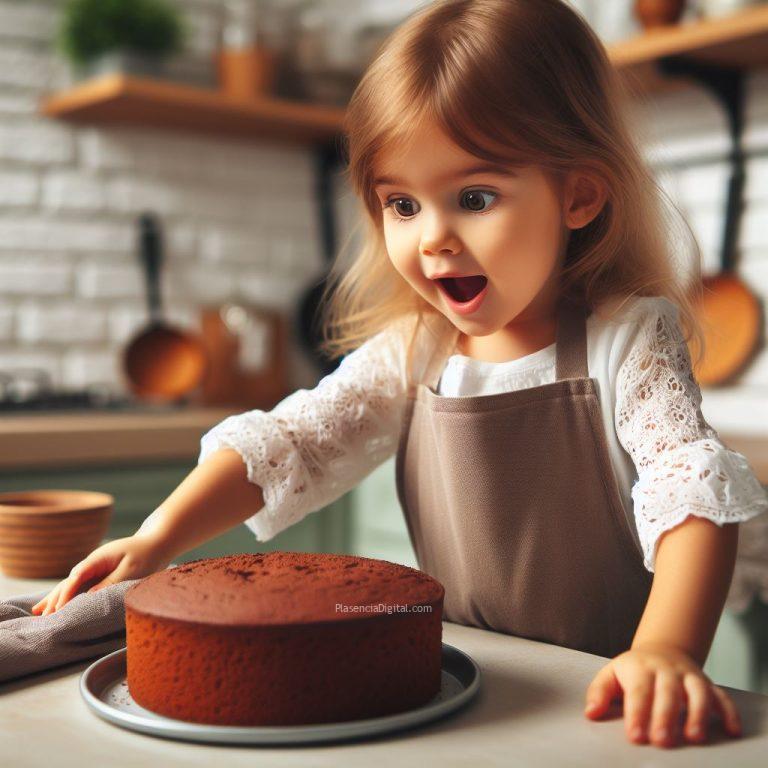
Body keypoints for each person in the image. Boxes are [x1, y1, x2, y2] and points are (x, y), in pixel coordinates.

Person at [32, 0, 767, 750]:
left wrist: (666, 650)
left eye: (474, 198)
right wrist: (155, 538)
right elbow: (294, 443)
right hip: (465, 688)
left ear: (578, 194)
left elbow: (692, 494)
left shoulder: (629, 339)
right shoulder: (415, 352)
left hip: (603, 702)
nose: (434, 238)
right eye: (402, 204)